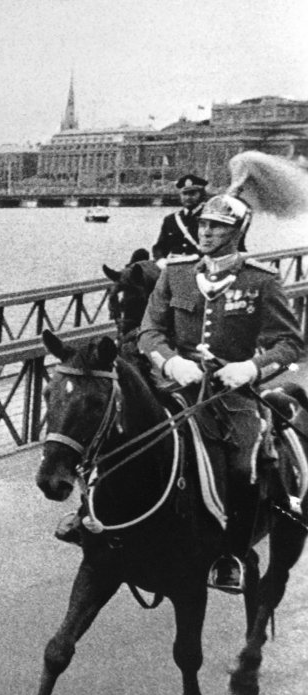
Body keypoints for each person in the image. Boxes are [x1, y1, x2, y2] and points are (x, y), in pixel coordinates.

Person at [138, 192, 305, 592]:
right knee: (120, 427)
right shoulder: (175, 273)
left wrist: (250, 368)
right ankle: (92, 516)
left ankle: (231, 554)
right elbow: (150, 331)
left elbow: (289, 344)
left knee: (244, 463)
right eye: (204, 225)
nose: (207, 232)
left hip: (231, 395)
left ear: (238, 232)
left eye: (218, 226)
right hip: (173, 384)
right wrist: (169, 361)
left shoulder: (260, 280)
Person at [152, 174, 208, 261]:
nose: (188, 197)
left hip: (200, 264)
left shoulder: (209, 218)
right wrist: (160, 260)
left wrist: (197, 256)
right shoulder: (171, 219)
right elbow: (159, 247)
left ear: (201, 194)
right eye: (184, 194)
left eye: (192, 193)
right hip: (174, 265)